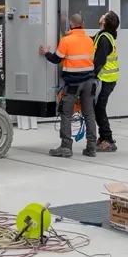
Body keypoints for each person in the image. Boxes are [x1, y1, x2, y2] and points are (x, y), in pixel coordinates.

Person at [39, 13, 98, 158]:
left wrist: (46, 53)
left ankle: (66, 147)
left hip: (72, 83)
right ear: (82, 24)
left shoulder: (66, 40)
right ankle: (91, 148)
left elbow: (55, 59)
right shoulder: (90, 40)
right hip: (89, 83)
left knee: (66, 114)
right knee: (89, 114)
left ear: (70, 25)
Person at [93, 11, 120, 152]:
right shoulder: (102, 35)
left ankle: (108, 140)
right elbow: (90, 41)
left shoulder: (104, 38)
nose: (101, 16)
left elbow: (100, 61)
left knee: (99, 109)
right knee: (98, 108)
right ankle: (103, 137)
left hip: (106, 79)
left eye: (103, 15)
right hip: (107, 79)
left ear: (104, 22)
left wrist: (90, 76)